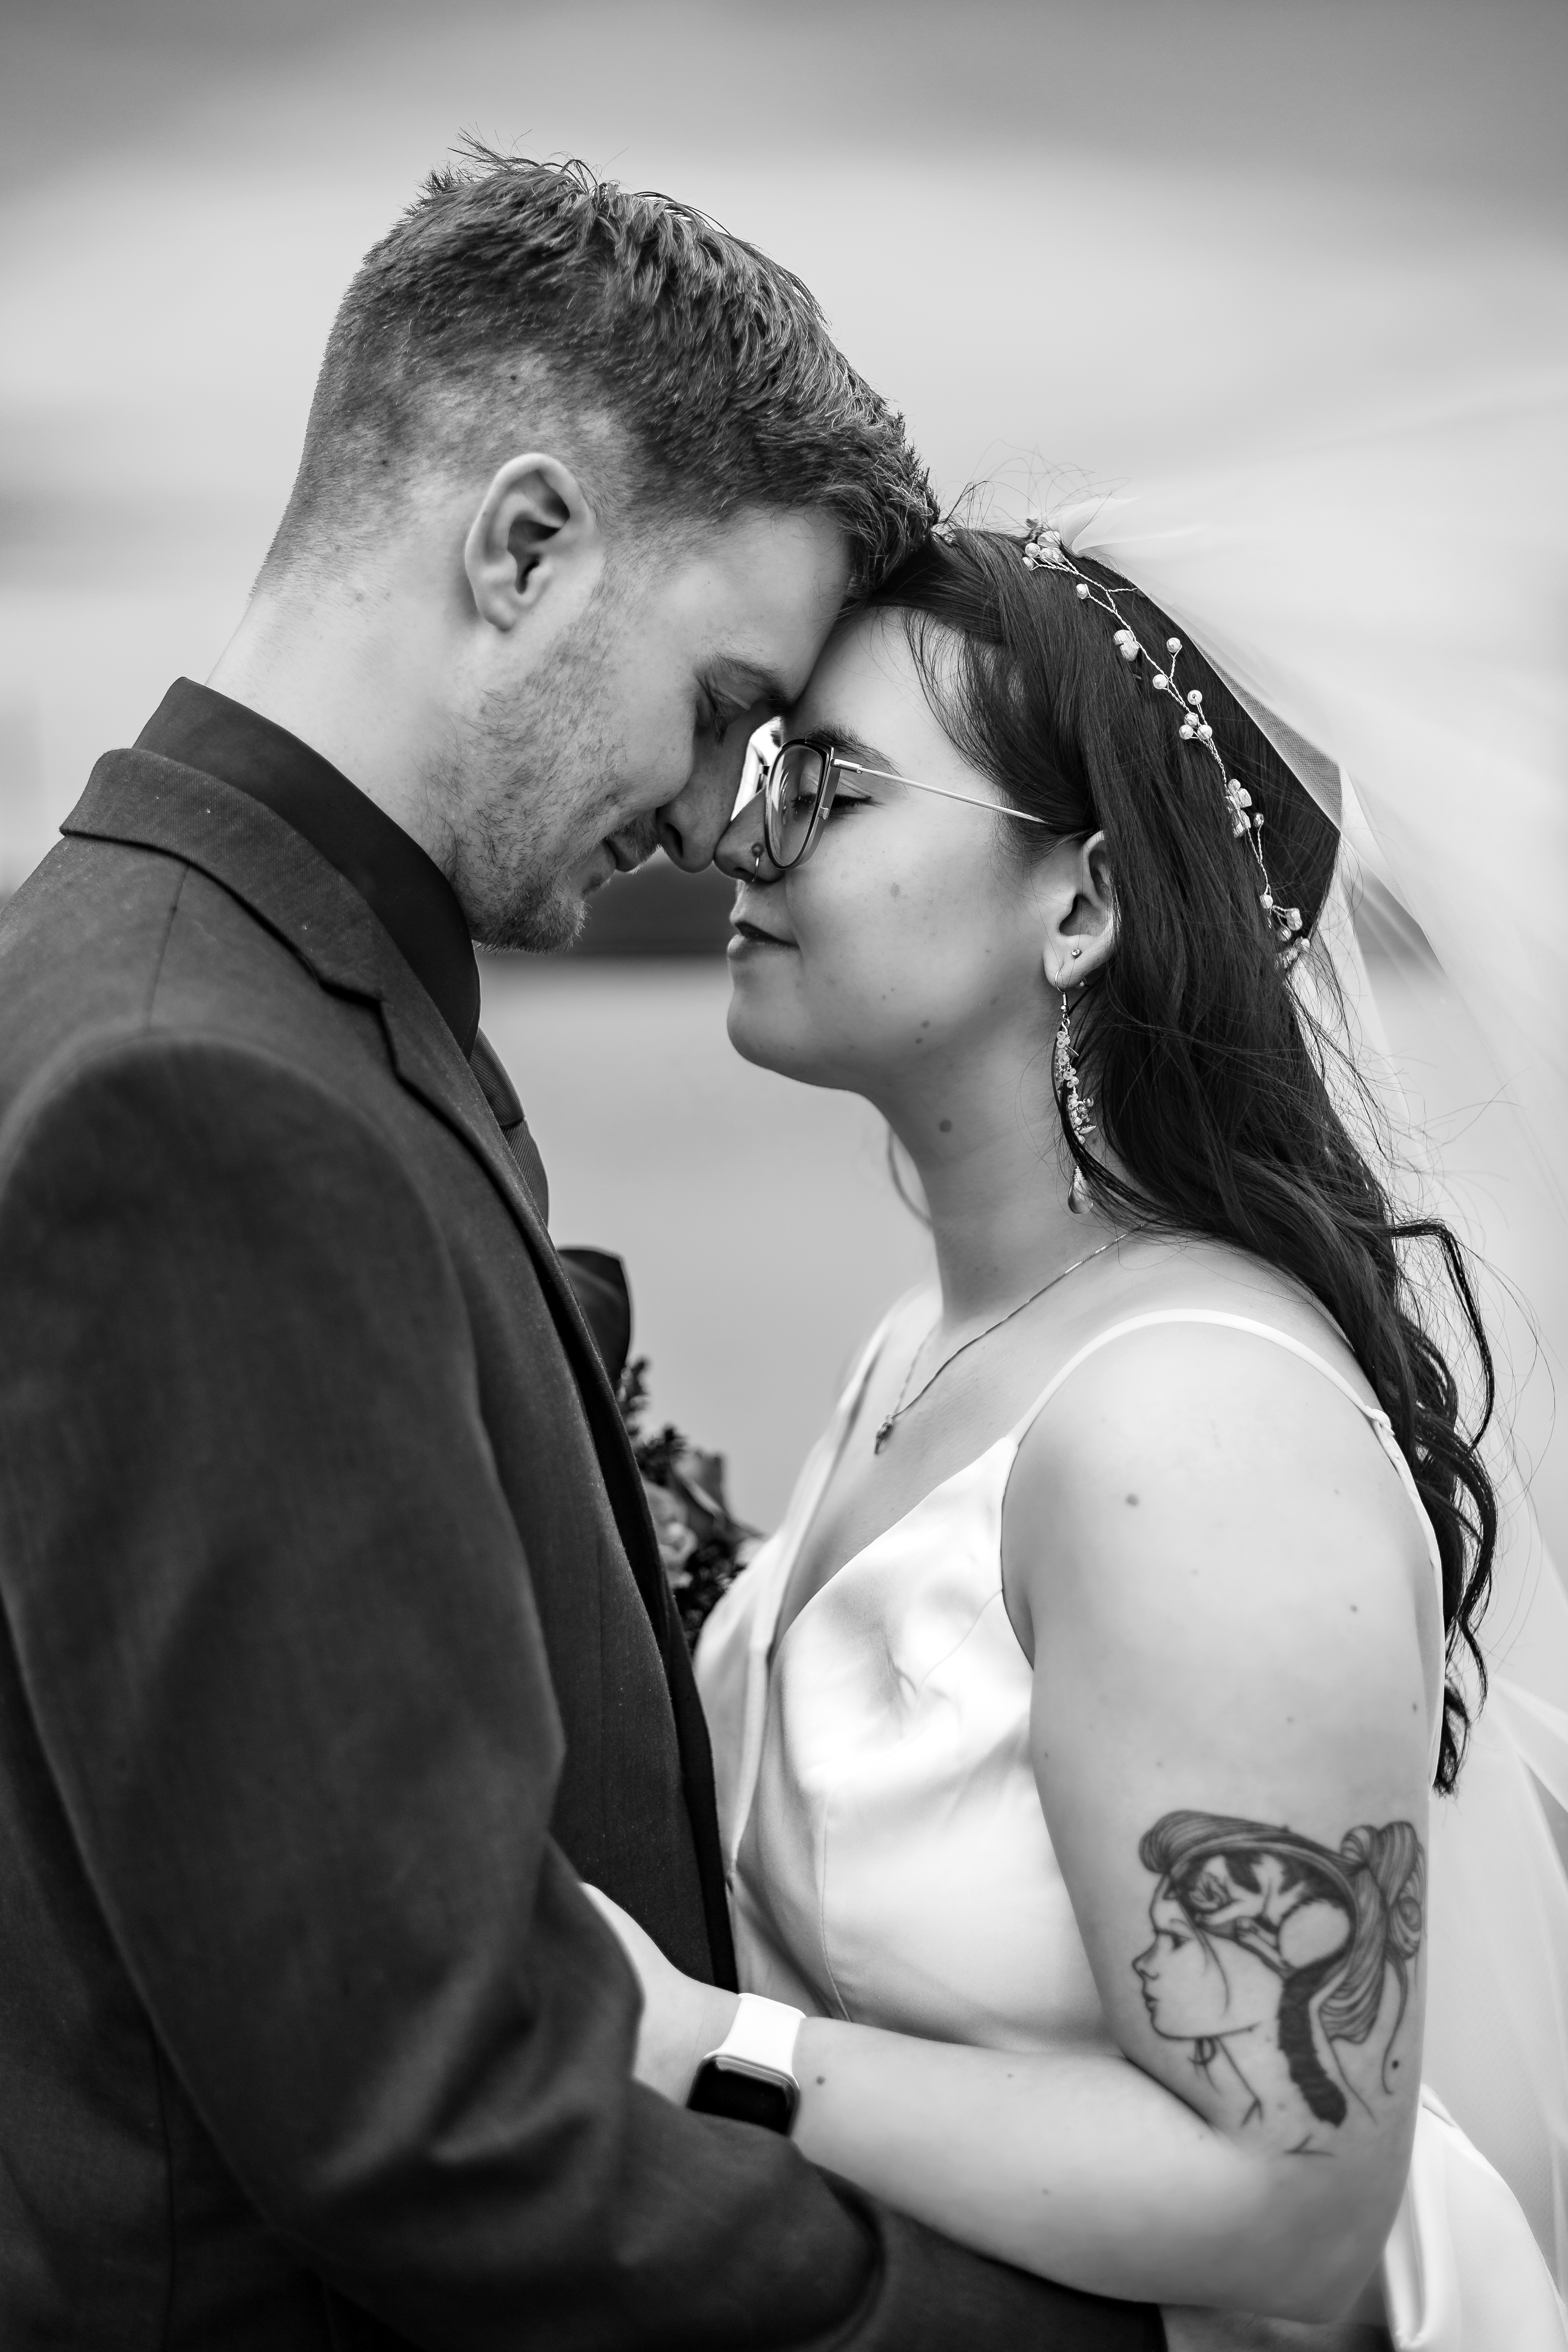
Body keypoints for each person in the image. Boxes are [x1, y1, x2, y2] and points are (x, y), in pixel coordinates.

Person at [0, 159, 1170, 2350]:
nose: (726, 805)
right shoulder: (205, 1096)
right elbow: (435, 2123)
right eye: (728, 702)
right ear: (524, 544)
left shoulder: (175, 970)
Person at [587, 518, 1568, 2347]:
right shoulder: (929, 1342)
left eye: (833, 788)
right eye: (762, 770)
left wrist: (710, 2054)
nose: (738, 831)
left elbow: (1290, 2213)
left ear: (1084, 903)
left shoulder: (1187, 1440)